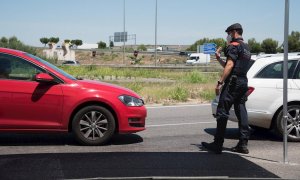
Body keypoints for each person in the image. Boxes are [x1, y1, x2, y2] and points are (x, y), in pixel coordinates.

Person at [202, 23, 251, 154]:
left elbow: (229, 65)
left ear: (234, 32)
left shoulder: (234, 46)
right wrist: (219, 58)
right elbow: (231, 64)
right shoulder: (246, 48)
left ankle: (218, 144)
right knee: (241, 111)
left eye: (228, 33)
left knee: (222, 111)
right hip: (243, 82)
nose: (227, 36)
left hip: (233, 83)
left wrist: (220, 82)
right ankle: (243, 144)